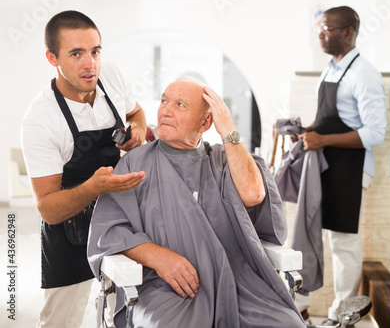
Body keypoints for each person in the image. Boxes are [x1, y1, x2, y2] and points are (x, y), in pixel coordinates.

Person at [87, 77, 305, 328]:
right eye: (164, 101)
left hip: (240, 286)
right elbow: (108, 231)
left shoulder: (226, 160)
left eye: (180, 105)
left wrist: (229, 132)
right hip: (165, 290)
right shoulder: (134, 164)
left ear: (206, 122)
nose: (165, 110)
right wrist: (159, 257)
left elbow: (254, 194)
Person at [21, 10, 147, 328]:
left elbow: (137, 113)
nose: (90, 63)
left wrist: (138, 132)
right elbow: (48, 208)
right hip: (69, 235)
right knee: (60, 322)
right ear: (53, 58)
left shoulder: (112, 76)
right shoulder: (40, 121)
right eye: (76, 53)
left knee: (125, 313)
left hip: (120, 224)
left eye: (95, 51)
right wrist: (94, 187)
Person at [293, 6, 386, 325]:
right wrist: (306, 131)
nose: (321, 33)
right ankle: (306, 306)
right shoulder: (330, 69)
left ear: (349, 32)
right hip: (328, 167)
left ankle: (344, 313)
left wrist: (323, 140)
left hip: (352, 169)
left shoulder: (364, 73)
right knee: (312, 233)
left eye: (328, 29)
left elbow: (375, 132)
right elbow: (328, 120)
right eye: (320, 28)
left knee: (343, 240)